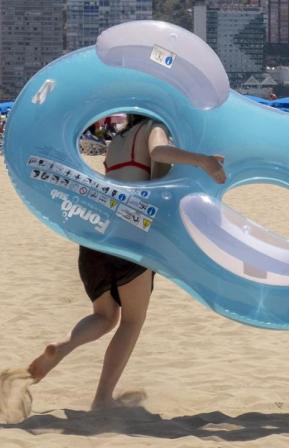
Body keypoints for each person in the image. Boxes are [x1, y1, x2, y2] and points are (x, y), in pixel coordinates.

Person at [27, 114, 227, 410]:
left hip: (95, 232)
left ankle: (63, 346)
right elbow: (159, 152)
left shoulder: (118, 138)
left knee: (105, 316)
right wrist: (204, 161)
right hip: (130, 233)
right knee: (132, 321)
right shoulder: (153, 128)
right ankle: (102, 398)